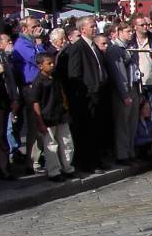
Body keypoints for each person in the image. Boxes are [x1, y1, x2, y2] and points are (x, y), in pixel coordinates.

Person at [65, 16, 109, 173]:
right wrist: (86, 92)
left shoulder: (93, 46)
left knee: (97, 129)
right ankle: (88, 163)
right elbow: (74, 74)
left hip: (98, 93)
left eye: (95, 25)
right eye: (91, 26)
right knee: (87, 131)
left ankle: (97, 159)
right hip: (87, 96)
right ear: (82, 29)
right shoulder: (78, 47)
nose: (95, 28)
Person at [30, 53, 77, 182]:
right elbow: (35, 102)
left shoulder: (55, 77)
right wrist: (40, 122)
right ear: (40, 66)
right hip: (48, 117)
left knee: (66, 142)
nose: (52, 65)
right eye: (48, 63)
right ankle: (54, 171)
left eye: (52, 63)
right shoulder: (38, 81)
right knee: (51, 145)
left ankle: (67, 167)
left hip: (61, 115)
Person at [10, 17, 45, 174]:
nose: (38, 28)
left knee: (41, 123)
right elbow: (39, 60)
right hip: (30, 87)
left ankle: (39, 157)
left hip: (40, 85)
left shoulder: (33, 43)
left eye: (38, 25)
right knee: (33, 125)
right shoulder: (21, 44)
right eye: (34, 26)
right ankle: (32, 162)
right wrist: (39, 44)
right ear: (24, 29)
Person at [105, 23, 141, 165]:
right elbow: (118, 74)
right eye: (127, 31)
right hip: (123, 91)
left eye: (132, 31)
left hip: (134, 87)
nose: (131, 33)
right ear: (119, 32)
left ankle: (130, 151)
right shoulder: (115, 49)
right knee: (123, 124)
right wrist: (124, 94)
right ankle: (122, 154)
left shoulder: (130, 48)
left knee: (132, 122)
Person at [0, 38, 19, 180]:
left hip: (4, 101)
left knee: (2, 135)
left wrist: (14, 99)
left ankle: (4, 168)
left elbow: (10, 81)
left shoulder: (4, 57)